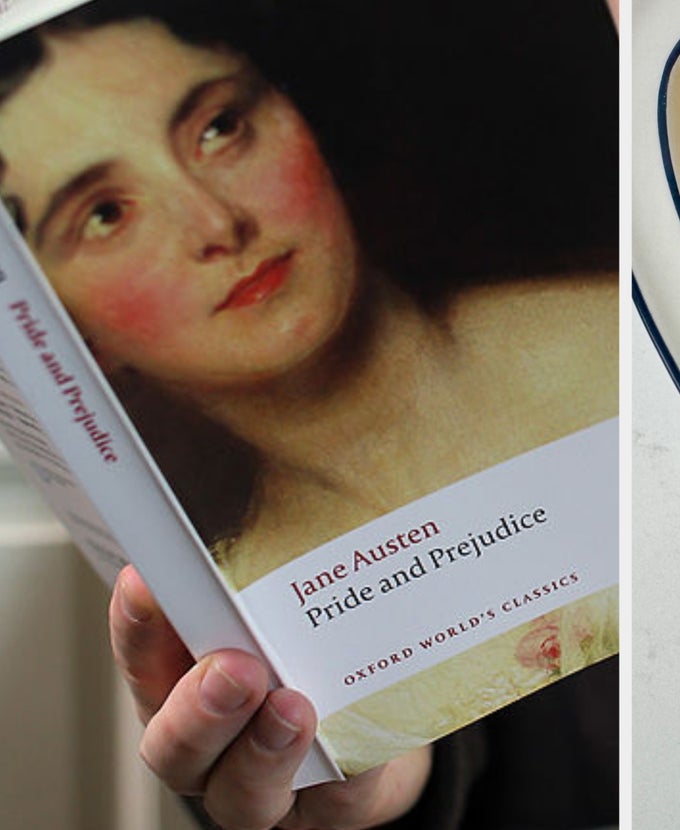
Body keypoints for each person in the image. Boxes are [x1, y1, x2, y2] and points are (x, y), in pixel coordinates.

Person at [0, 0, 619, 827]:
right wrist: (375, 793)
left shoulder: (633, 337)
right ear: (60, 328)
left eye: (218, 128)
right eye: (106, 215)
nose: (217, 222)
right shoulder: (250, 625)